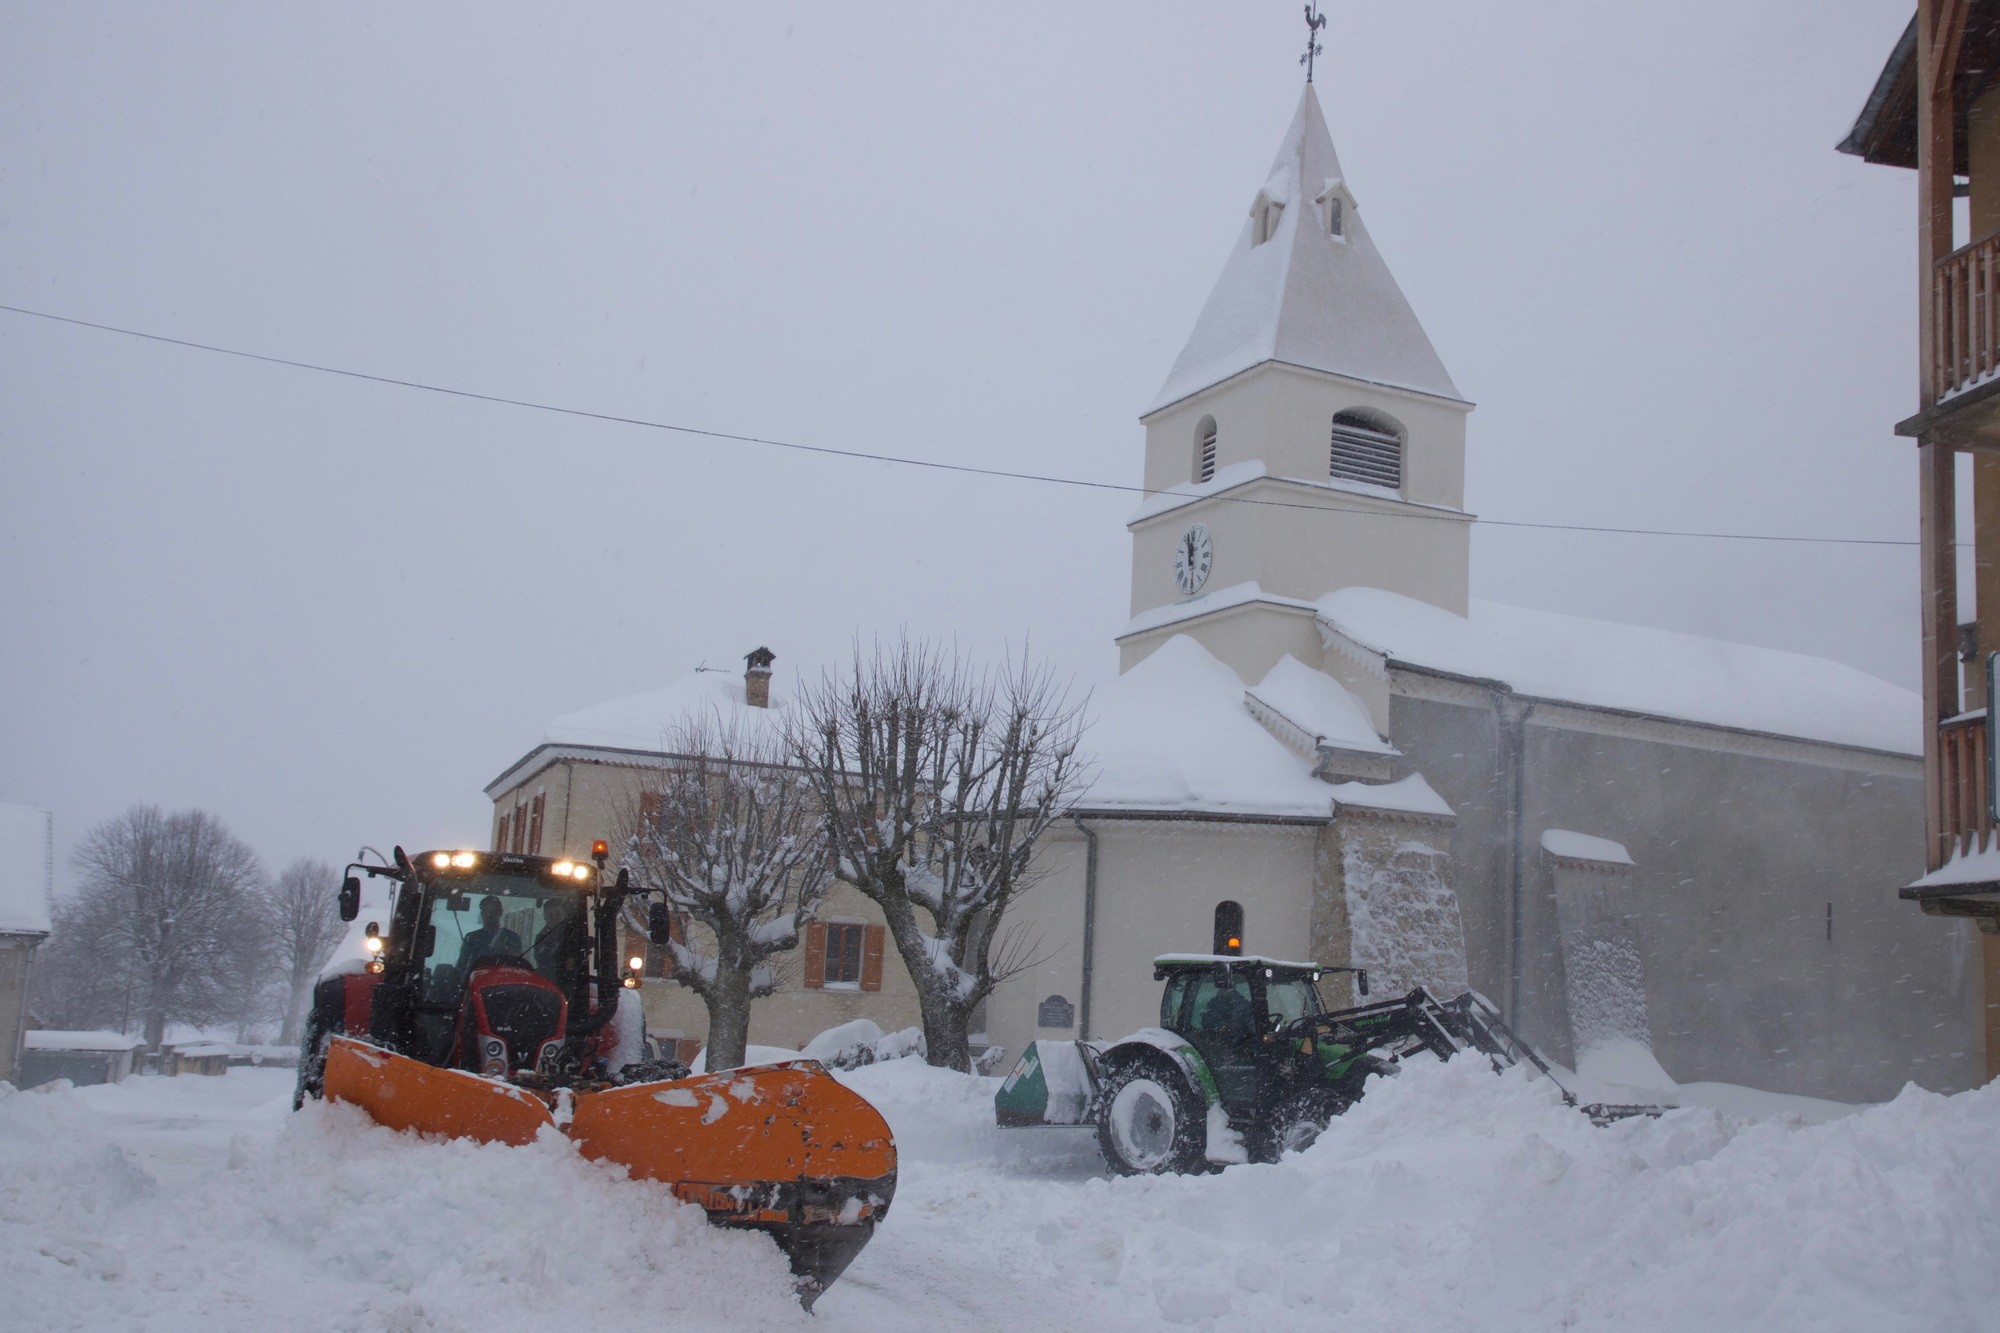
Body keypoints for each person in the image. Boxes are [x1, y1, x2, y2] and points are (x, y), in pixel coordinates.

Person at [456, 895, 523, 971]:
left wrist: (505, 949)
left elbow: (518, 965)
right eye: (485, 911)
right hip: (476, 980)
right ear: (481, 914)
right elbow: (462, 967)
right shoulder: (471, 938)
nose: (489, 915)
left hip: (505, 979)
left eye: (493, 911)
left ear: (500, 913)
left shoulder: (512, 937)